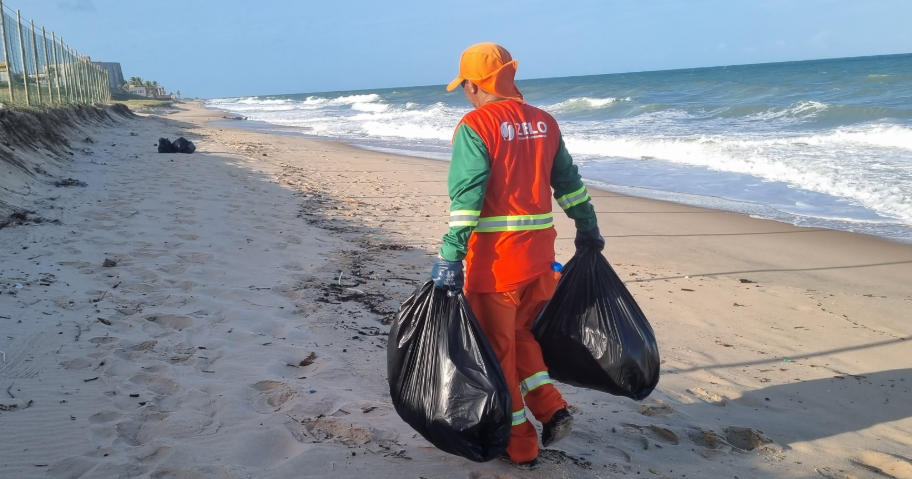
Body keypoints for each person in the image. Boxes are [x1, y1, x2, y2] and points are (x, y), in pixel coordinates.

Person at [430, 43, 604, 469]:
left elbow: (467, 197)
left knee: (496, 351)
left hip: (496, 266)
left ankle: (521, 443)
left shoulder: (476, 125)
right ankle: (551, 406)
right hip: (541, 260)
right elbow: (568, 182)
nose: (465, 94)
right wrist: (588, 227)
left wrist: (451, 254)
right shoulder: (544, 122)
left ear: (473, 84)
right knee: (522, 334)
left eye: (465, 87)